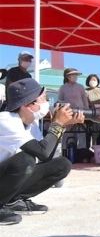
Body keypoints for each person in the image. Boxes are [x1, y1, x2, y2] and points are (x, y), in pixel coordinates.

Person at [0, 79, 84, 225]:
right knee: (25, 160)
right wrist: (57, 124)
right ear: (27, 105)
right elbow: (42, 152)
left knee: (62, 164)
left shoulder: (31, 123)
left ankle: (13, 201)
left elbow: (47, 156)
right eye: (44, 98)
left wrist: (62, 126)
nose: (48, 103)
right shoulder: (5, 120)